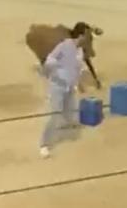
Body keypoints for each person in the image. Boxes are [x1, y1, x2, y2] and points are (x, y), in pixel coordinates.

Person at [29, 23, 103, 158]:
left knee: (70, 109)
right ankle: (44, 145)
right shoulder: (65, 45)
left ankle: (68, 123)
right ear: (80, 36)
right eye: (86, 36)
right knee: (54, 114)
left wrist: (78, 83)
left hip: (70, 86)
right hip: (58, 86)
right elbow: (50, 60)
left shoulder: (80, 51)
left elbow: (77, 68)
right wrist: (52, 72)